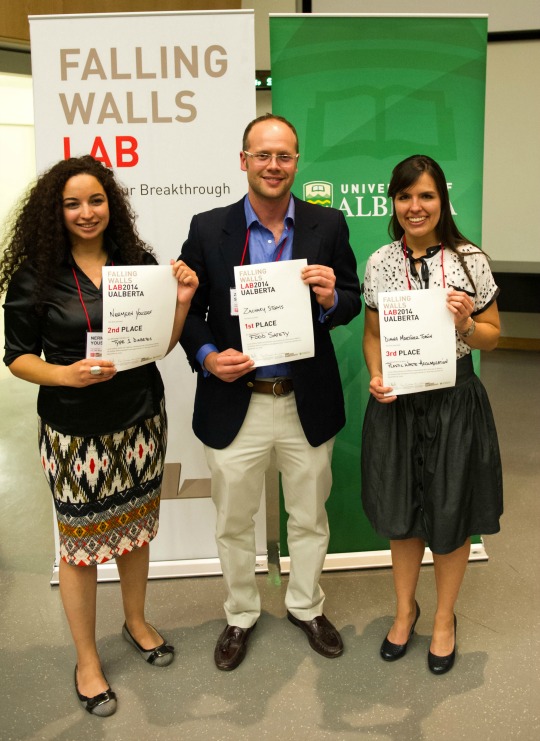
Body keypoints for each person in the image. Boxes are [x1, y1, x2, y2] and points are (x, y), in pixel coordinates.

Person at [1, 155, 198, 715]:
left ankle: (136, 621)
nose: (86, 213)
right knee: (82, 546)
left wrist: (180, 303)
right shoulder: (35, 276)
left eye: (95, 200)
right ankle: (87, 658)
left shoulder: (138, 263)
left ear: (111, 204)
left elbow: (159, 344)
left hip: (139, 419)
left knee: (135, 531)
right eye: (72, 203)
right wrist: (63, 374)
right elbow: (17, 358)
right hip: (74, 430)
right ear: (55, 212)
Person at [178, 113, 361, 670]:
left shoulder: (327, 224)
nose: (273, 165)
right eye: (263, 155)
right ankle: (240, 614)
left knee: (309, 516)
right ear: (244, 161)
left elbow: (351, 296)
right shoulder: (209, 228)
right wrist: (208, 357)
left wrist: (332, 297)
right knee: (234, 521)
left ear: (296, 162)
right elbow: (190, 311)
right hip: (238, 401)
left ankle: (306, 605)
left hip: (305, 399)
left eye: (284, 156)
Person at [361, 154, 503, 675]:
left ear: (442, 201)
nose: (415, 207)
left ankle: (444, 618)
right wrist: (377, 375)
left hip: (454, 401)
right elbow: (373, 335)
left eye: (426, 196)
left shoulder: (470, 261)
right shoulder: (379, 262)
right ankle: (405, 611)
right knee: (402, 516)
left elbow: (493, 334)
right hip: (399, 403)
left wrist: (466, 324)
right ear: (393, 204)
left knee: (450, 512)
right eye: (405, 197)